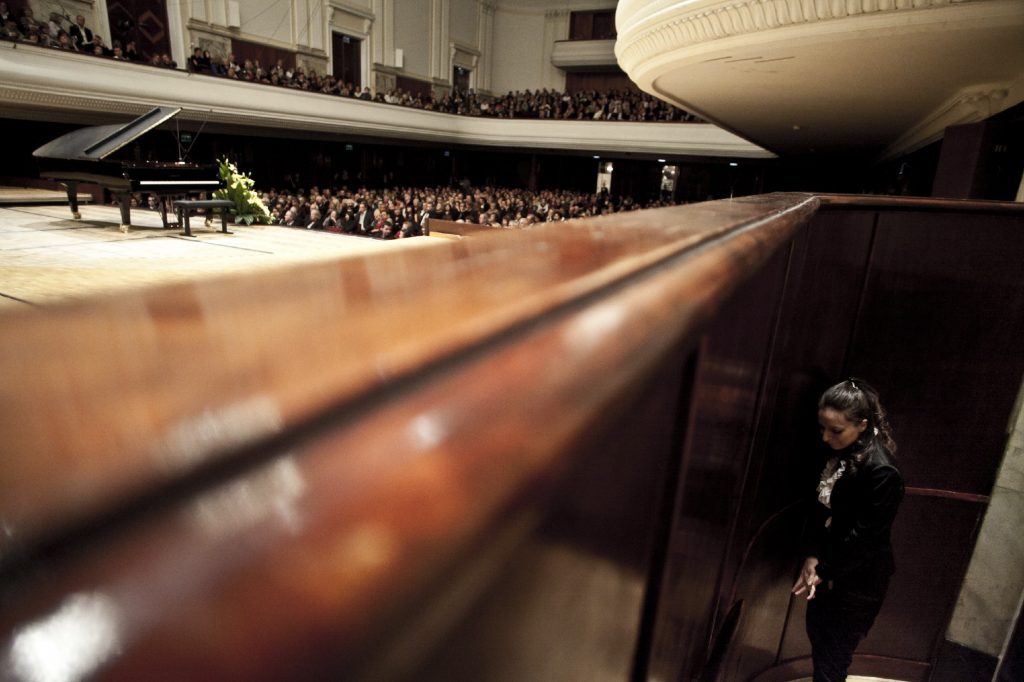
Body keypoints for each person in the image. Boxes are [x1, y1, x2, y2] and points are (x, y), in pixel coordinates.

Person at [792, 378, 904, 681]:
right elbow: (820, 510)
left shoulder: (882, 470)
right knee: (818, 640)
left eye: (835, 430)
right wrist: (811, 555)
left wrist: (823, 568)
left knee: (834, 657)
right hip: (830, 567)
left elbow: (865, 538)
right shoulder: (840, 450)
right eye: (823, 428)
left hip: (860, 582)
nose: (826, 437)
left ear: (863, 425)